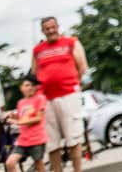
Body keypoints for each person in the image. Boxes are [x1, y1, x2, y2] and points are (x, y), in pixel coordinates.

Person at [31, 17, 88, 172]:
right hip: (46, 99)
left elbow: (82, 66)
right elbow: (34, 74)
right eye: (47, 28)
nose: (51, 31)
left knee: (73, 138)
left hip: (68, 95)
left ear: (58, 26)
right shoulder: (38, 50)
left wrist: (74, 83)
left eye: (53, 27)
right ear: (42, 31)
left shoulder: (71, 42)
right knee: (52, 143)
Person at [5, 74, 47, 172]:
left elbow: (38, 118)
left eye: (32, 85)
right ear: (21, 88)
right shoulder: (21, 102)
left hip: (37, 138)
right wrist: (14, 116)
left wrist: (17, 122)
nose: (30, 88)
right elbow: (22, 117)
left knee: (38, 164)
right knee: (10, 163)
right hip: (23, 139)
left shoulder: (40, 98)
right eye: (27, 85)